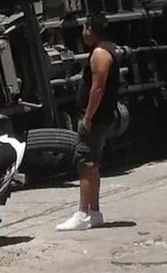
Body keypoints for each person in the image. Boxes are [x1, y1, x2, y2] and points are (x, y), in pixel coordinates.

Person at [56, 13, 119, 231]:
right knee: (92, 164)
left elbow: (97, 88)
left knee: (84, 163)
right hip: (101, 117)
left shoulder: (100, 54)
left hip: (96, 118)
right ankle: (94, 212)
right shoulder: (105, 50)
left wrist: (88, 117)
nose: (83, 32)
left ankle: (82, 213)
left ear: (92, 29)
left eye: (85, 28)